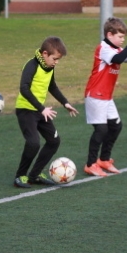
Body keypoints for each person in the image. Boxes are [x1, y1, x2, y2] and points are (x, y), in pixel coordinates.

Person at [83, 19, 127, 177]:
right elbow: (117, 59)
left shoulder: (117, 49)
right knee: (101, 130)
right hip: (96, 94)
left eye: (124, 38)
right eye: (120, 37)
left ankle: (104, 159)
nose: (122, 40)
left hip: (107, 97)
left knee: (115, 126)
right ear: (109, 35)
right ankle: (90, 164)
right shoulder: (104, 48)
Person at [13, 36, 78, 188]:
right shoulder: (32, 65)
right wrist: (41, 108)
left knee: (54, 141)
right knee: (33, 143)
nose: (57, 62)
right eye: (55, 59)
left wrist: (65, 103)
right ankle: (20, 176)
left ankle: (35, 175)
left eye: (58, 60)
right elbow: (24, 88)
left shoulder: (49, 67)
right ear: (45, 54)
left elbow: (52, 86)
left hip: (40, 111)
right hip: (26, 110)